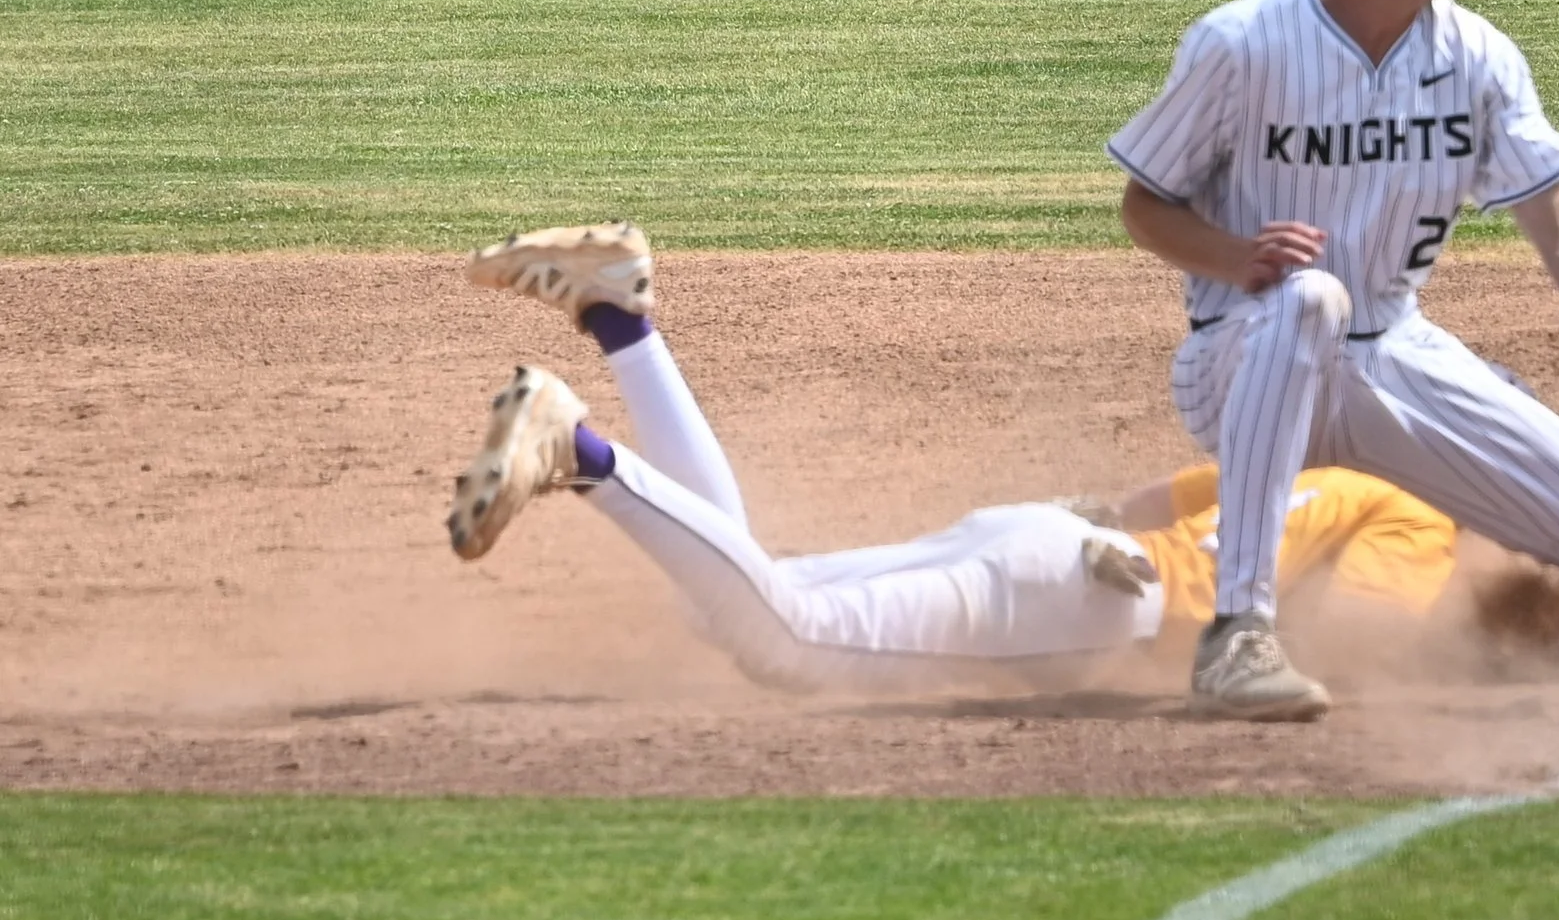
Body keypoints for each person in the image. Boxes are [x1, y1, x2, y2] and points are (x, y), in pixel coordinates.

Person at [1108, 0, 1559, 723]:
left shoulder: (1479, 59)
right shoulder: (1244, 42)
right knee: (1310, 297)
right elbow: (1145, 205)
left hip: (1391, 358)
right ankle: (1239, 633)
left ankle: (1417, 598)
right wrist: (1236, 256)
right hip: (1246, 353)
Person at [442, 224, 1476, 692]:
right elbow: (1361, 640)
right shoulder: (1418, 512)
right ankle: (578, 450)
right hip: (1086, 605)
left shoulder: (1303, 466)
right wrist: (1477, 632)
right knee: (782, 642)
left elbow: (1136, 503)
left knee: (738, 593)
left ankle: (620, 317)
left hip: (1045, 545)